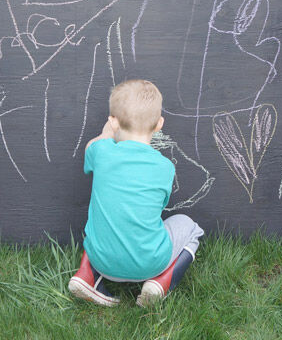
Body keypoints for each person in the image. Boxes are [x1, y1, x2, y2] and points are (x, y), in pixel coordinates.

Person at [68, 79, 204, 307]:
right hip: (150, 262)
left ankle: (87, 275)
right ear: (159, 124)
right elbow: (158, 208)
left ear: (113, 121)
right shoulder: (165, 167)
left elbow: (90, 148)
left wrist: (105, 135)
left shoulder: (101, 151)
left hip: (102, 259)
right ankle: (160, 283)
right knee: (190, 227)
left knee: (100, 219)